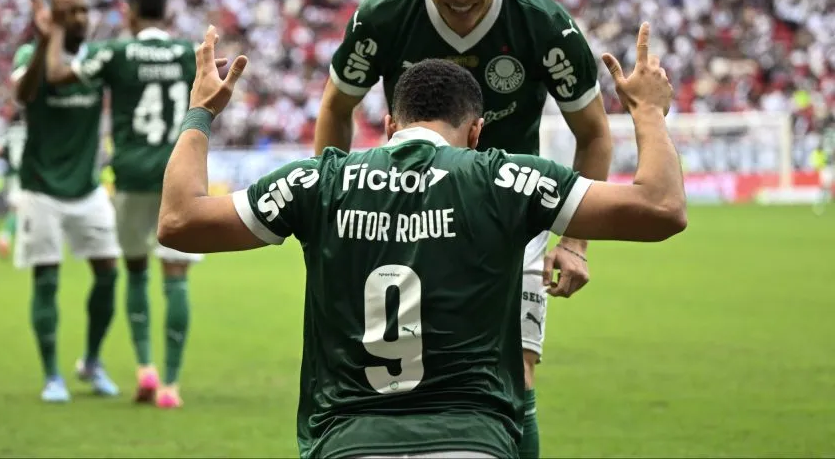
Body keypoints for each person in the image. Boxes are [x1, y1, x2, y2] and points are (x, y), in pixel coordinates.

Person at [156, 23, 685, 459]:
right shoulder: (505, 180)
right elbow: (661, 209)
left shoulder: (319, 180)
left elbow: (179, 221)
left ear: (388, 125)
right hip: (472, 440)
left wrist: (201, 112)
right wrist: (648, 112)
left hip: (347, 441)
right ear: (477, 132)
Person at [314, 0, 614, 454]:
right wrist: (336, 208)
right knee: (402, 376)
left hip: (508, 218)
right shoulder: (383, 15)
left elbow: (594, 134)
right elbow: (335, 107)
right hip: (405, 214)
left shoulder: (545, 26)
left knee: (515, 376)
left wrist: (574, 241)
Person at [42, 0, 206, 408]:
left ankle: (145, 369)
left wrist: (56, 29)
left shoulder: (114, 53)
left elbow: (58, 75)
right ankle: (171, 385)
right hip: (179, 176)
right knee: (176, 277)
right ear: (166, 14)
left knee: (134, 271)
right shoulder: (190, 53)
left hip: (132, 177)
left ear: (131, 14)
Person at [11, 0, 122, 403]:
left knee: (109, 273)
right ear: (55, 17)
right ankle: (51, 375)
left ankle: (92, 361)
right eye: (69, 11)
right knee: (47, 280)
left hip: (87, 187)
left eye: (83, 10)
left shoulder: (96, 59)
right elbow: (23, 96)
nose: (80, 17)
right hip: (41, 188)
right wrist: (44, 41)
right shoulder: (28, 55)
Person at [0, 110, 26, 261]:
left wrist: (6, 155)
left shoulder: (5, 131)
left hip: (14, 176)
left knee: (18, 209)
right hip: (29, 175)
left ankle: (6, 237)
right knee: (22, 210)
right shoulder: (31, 130)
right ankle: (5, 237)